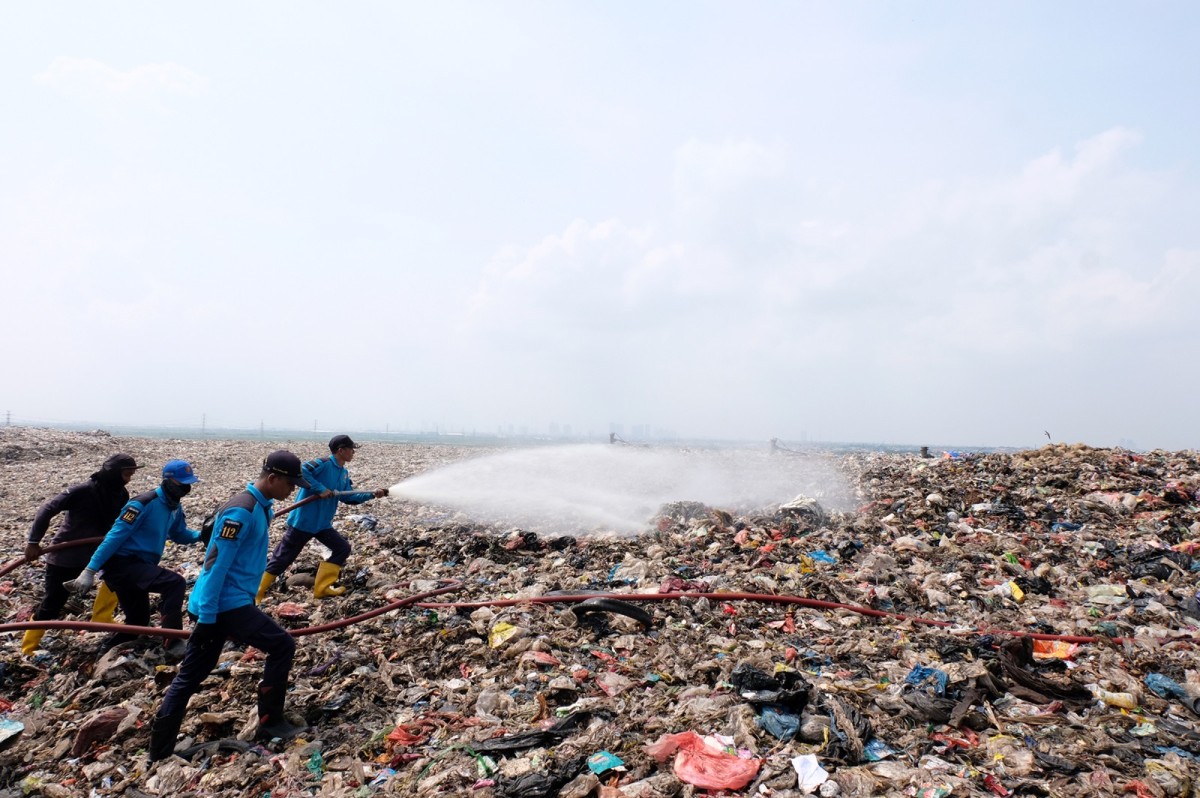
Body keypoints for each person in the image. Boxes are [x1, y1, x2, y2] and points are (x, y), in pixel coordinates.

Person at [149, 450, 310, 761]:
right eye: (290, 484)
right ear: (273, 478)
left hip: (232, 600)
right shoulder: (242, 511)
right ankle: (271, 721)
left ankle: (159, 751)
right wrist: (207, 617)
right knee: (282, 646)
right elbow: (215, 566)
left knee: (194, 674)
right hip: (222, 604)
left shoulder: (260, 507)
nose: (293, 490)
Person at [65, 459, 202, 657]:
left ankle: (103, 652)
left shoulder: (174, 507)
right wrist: (89, 570)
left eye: (188, 484)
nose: (186, 488)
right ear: (168, 482)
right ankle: (173, 641)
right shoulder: (143, 503)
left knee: (137, 622)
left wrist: (202, 535)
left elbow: (179, 534)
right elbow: (114, 537)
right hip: (122, 565)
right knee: (174, 583)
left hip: (141, 566)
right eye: (182, 483)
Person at [21, 453, 142, 656]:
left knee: (117, 577)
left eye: (131, 475)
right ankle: (28, 647)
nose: (129, 479)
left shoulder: (121, 494)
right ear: (113, 473)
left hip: (98, 552)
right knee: (53, 604)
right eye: (126, 474)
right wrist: (33, 542)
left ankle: (102, 618)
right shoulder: (82, 491)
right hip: (67, 555)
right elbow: (47, 509)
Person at [257, 435, 386, 601]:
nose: (353, 452)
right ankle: (257, 592)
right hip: (303, 522)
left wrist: (372, 495)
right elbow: (302, 471)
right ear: (341, 450)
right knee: (283, 558)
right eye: (351, 449)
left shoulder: (344, 473)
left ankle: (322, 588)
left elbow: (349, 497)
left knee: (342, 548)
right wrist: (320, 489)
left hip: (322, 524)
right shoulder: (323, 463)